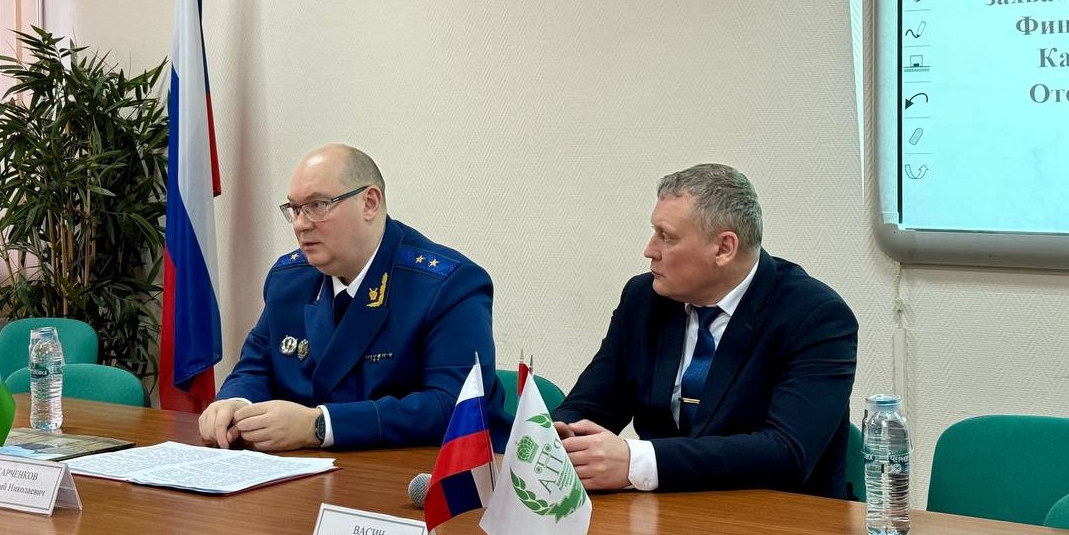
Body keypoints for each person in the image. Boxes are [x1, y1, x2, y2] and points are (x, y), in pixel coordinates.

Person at [553, 163, 857, 498]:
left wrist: (637, 462)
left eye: (667, 237)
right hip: (664, 514)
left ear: (724, 248)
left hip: (782, 519)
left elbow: (786, 453)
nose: (650, 250)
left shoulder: (815, 316)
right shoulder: (644, 300)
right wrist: (560, 437)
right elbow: (589, 406)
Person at [198, 144, 509, 452]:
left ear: (369, 203)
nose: (301, 224)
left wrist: (319, 426)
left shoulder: (448, 284)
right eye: (295, 209)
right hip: (308, 472)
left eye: (317, 205)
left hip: (417, 472)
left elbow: (452, 405)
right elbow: (255, 368)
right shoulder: (288, 279)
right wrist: (235, 403)